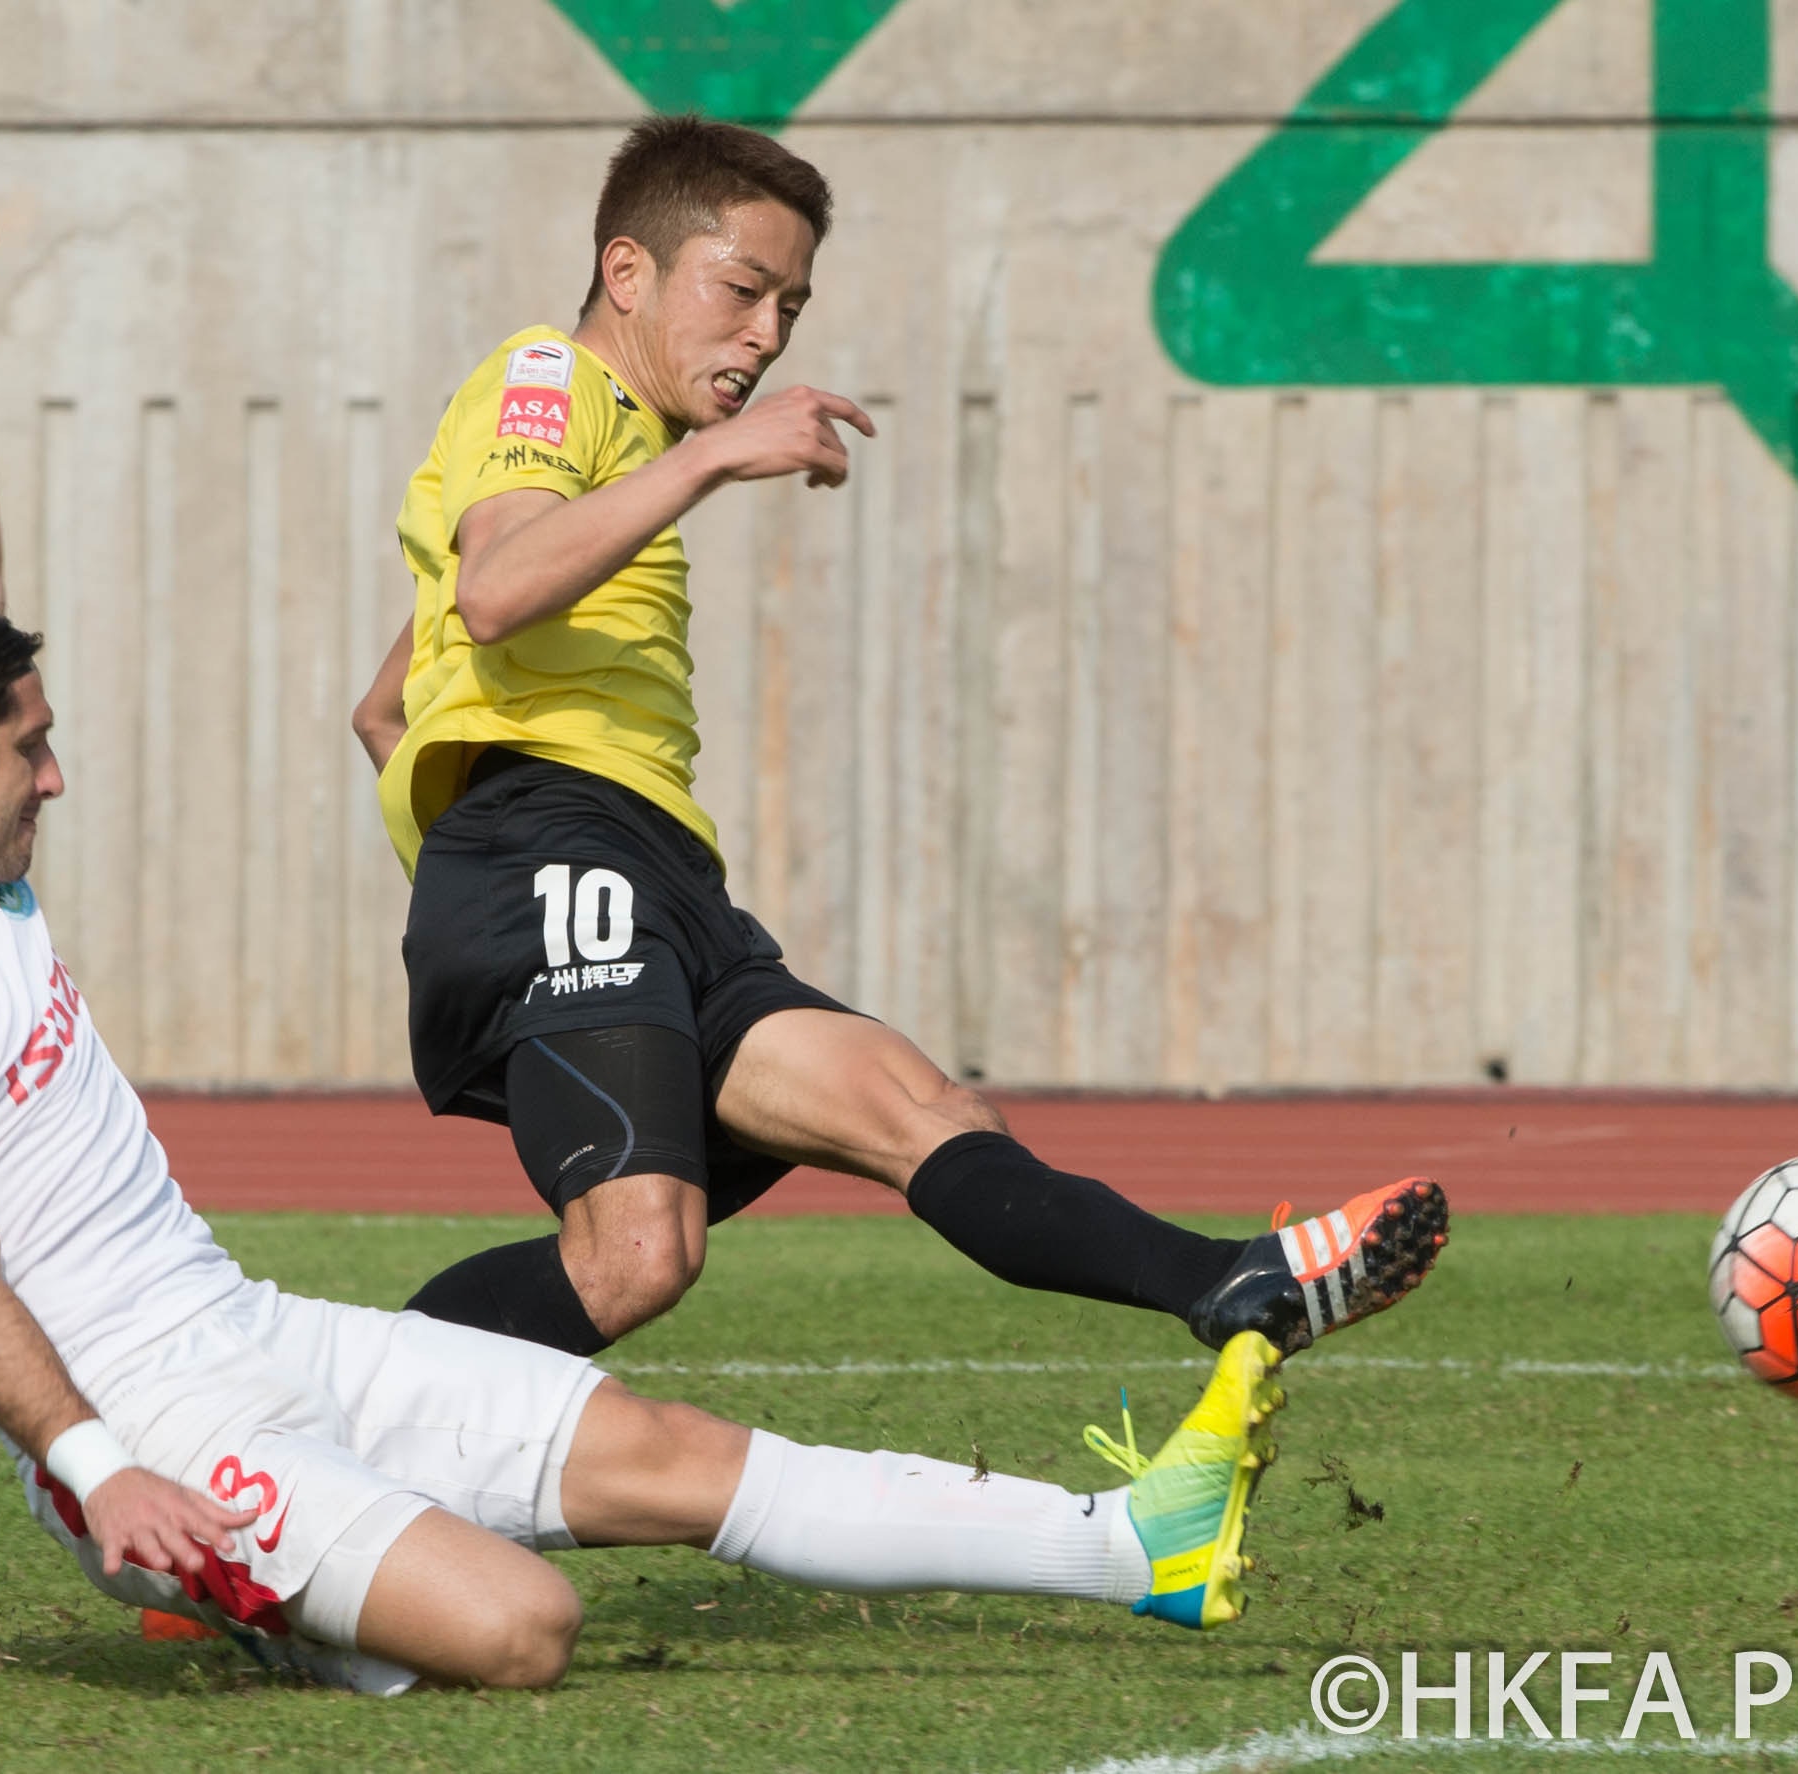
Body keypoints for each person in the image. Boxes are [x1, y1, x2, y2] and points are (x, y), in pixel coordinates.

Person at [0, 144, 1295, 1699]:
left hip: (261, 1337)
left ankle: (1131, 1542)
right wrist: (99, 1471)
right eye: (32, 753)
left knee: (669, 1450)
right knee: (520, 1628)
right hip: (159, 1433)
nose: (60, 777)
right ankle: (251, 1589)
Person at [355, 115, 1448, 1358]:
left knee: (915, 1105)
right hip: (562, 846)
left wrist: (470, 879)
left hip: (645, 872)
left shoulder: (620, 454)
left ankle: (1236, 1284)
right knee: (637, 1252)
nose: (767, 336)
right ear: (627, 274)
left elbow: (391, 701)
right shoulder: (551, 378)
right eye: (743, 289)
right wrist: (504, 869)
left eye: (792, 308)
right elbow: (496, 591)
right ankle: (316, 1435)